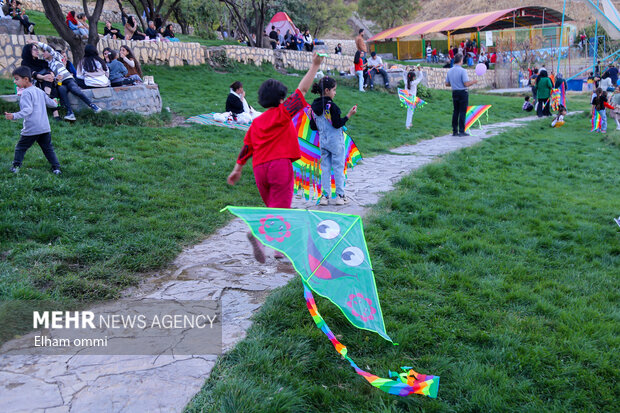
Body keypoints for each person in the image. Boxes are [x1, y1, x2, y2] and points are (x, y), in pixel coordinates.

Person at [227, 53, 324, 263]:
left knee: (275, 207)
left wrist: (237, 169)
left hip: (259, 168)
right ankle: (259, 236)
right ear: (281, 99)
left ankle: (280, 248)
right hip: (280, 166)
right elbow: (303, 90)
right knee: (281, 210)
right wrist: (315, 66)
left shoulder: (257, 122)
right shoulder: (282, 112)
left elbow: (246, 147)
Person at [308, 76, 357, 206]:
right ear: (327, 90)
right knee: (338, 167)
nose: (335, 92)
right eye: (334, 90)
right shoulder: (331, 106)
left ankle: (325, 196)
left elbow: (313, 127)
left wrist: (310, 117)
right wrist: (348, 115)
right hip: (335, 143)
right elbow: (337, 124)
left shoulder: (314, 107)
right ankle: (340, 196)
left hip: (323, 142)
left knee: (325, 168)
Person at [4, 66, 61, 174]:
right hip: (44, 127)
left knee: (20, 147)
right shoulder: (39, 90)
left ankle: (16, 167)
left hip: (32, 128)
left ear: (26, 79)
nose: (15, 81)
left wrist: (14, 116)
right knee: (48, 149)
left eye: (17, 79)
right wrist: (55, 102)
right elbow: (52, 103)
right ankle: (56, 168)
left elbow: (27, 110)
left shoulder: (26, 93)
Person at [34, 41, 102, 121]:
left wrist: (36, 42)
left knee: (74, 89)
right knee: (61, 90)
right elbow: (53, 76)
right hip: (60, 82)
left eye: (44, 51)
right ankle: (70, 112)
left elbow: (49, 49)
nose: (43, 54)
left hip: (68, 78)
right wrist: (56, 78)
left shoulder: (57, 57)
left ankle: (93, 105)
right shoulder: (48, 64)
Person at [445, 53, 477, 136]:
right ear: (460, 60)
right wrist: (473, 82)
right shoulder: (463, 71)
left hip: (454, 92)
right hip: (463, 92)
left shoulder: (450, 71)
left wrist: (454, 83)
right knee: (462, 112)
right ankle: (462, 131)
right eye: (462, 60)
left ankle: (454, 131)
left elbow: (447, 84)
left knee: (455, 111)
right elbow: (466, 84)